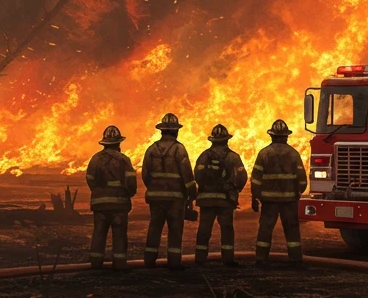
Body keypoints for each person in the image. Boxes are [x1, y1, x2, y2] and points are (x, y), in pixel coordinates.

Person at [141, 112, 197, 270]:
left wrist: (154, 188)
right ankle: (174, 262)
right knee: (175, 230)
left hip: (155, 198)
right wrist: (191, 194)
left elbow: (145, 174)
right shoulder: (179, 149)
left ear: (162, 131)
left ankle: (149, 261)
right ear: (176, 131)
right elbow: (187, 174)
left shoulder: (151, 149)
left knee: (154, 228)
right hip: (175, 199)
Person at [250, 119, 308, 267]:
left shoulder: (264, 153)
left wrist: (256, 197)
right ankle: (296, 260)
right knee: (292, 230)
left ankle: (261, 259)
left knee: (265, 229)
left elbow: (256, 179)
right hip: (289, 201)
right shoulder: (293, 154)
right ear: (286, 136)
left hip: (269, 201)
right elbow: (302, 179)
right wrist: (297, 193)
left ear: (272, 136)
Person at [193, 124, 248, 267]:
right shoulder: (233, 157)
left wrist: (205, 188)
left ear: (212, 140)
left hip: (207, 200)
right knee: (227, 229)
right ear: (226, 140)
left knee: (204, 229)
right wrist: (236, 190)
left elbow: (198, 175)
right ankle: (228, 260)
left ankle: (200, 259)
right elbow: (242, 176)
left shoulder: (204, 155)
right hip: (226, 201)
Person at [85, 125, 137, 271]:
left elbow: (90, 179)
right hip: (119, 205)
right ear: (118, 143)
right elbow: (131, 182)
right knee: (119, 235)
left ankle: (96, 265)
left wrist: (98, 192)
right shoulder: (123, 160)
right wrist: (129, 193)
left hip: (100, 205)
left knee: (99, 233)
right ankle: (119, 266)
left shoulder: (95, 159)